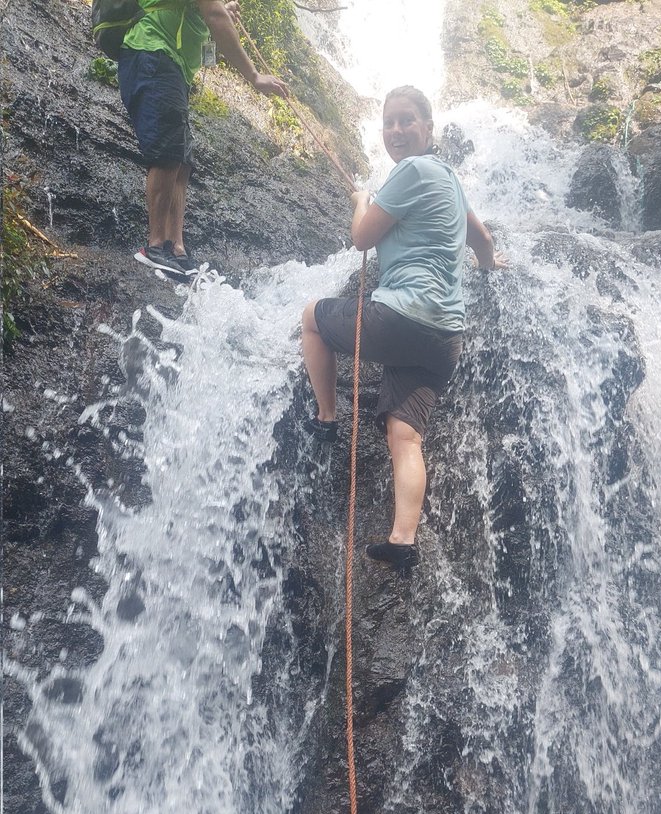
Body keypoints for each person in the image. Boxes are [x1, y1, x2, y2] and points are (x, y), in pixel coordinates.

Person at [301, 85, 507, 574]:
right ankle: (403, 540)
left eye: (407, 120)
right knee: (405, 434)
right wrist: (491, 265)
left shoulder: (411, 170)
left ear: (428, 129)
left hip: (401, 315)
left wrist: (360, 199)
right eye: (389, 122)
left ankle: (326, 420)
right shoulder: (452, 181)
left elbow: (361, 237)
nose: (396, 130)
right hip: (443, 338)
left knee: (311, 315)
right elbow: (482, 239)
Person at [118, 0, 288, 276]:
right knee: (168, 153)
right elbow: (214, 15)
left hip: (172, 66)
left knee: (182, 161)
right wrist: (254, 77)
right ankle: (156, 245)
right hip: (153, 54)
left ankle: (176, 247)